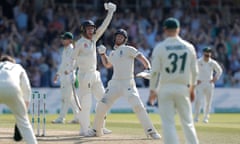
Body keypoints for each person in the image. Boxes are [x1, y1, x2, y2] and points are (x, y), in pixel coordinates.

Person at [88, 29, 161, 139]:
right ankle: (96, 130)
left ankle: (151, 131)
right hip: (114, 84)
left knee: (138, 106)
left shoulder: (128, 49)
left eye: (121, 37)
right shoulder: (112, 53)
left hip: (128, 83)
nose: (119, 38)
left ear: (125, 39)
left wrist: (148, 68)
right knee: (102, 105)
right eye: (117, 36)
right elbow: (108, 65)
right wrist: (102, 54)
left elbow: (141, 58)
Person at [148, 17, 199, 144]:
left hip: (165, 88)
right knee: (188, 122)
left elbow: (154, 72)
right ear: (178, 29)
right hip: (183, 88)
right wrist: (192, 88)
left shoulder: (160, 47)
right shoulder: (188, 47)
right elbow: (195, 71)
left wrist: (153, 90)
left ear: (165, 30)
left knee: (168, 123)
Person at [72, 2, 116, 136]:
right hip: (84, 75)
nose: (91, 31)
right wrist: (71, 73)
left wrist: (110, 13)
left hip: (94, 74)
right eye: (89, 29)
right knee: (86, 103)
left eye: (92, 28)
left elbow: (103, 27)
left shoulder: (94, 40)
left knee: (104, 100)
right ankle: (84, 129)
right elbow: (72, 59)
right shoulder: (79, 43)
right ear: (83, 30)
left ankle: (100, 126)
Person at [0, 55, 37, 144]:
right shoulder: (18, 66)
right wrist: (25, 109)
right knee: (24, 121)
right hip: (12, 88)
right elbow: (27, 89)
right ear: (13, 62)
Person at [52, 32, 80, 124]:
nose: (62, 40)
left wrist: (69, 70)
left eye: (64, 39)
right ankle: (78, 117)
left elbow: (76, 62)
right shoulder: (65, 50)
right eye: (62, 38)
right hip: (64, 77)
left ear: (70, 40)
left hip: (70, 76)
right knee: (70, 99)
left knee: (66, 99)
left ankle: (61, 118)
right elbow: (63, 64)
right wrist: (58, 74)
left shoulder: (72, 49)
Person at [194, 47, 223, 123]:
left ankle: (206, 117)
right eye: (206, 52)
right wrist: (196, 80)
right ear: (203, 53)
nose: (207, 54)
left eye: (209, 53)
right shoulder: (198, 62)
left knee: (208, 102)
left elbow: (219, 70)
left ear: (210, 54)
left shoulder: (212, 62)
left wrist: (215, 78)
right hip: (200, 83)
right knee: (198, 101)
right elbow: (193, 71)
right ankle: (196, 117)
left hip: (209, 83)